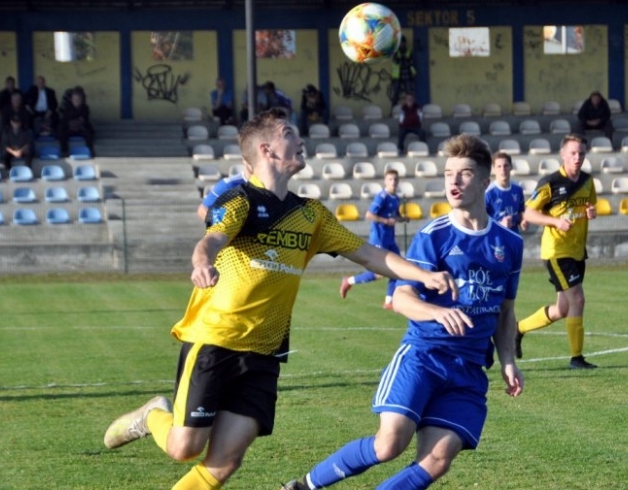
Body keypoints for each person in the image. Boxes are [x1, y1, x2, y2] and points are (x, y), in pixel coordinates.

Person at [102, 108, 457, 490]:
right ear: (268, 150)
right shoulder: (240, 202)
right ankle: (154, 414)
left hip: (265, 353)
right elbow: (212, 240)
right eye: (290, 132)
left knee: (225, 462)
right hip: (216, 340)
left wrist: (424, 274)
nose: (301, 139)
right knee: (184, 448)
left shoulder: (311, 215)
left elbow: (370, 254)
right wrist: (202, 262)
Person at [282, 133, 524, 490]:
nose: (454, 181)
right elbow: (402, 299)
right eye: (447, 173)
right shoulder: (434, 236)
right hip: (424, 356)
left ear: (486, 182)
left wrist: (507, 360)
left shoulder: (510, 244)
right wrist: (437, 313)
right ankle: (303, 486)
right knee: (389, 443)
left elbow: (505, 312)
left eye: (465, 173)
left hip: (469, 368)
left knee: (437, 458)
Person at [515, 134, 598, 370]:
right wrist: (554, 222)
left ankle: (518, 329)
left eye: (581, 153)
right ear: (563, 155)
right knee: (578, 299)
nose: (577, 157)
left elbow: (589, 207)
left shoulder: (588, 182)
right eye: (573, 153)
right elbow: (528, 213)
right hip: (556, 251)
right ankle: (576, 358)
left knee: (562, 309)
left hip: (577, 251)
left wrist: (591, 212)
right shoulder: (550, 182)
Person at [339, 168, 410, 309]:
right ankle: (349, 281)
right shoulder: (381, 197)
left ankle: (389, 301)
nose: (393, 182)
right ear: (385, 181)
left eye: (395, 179)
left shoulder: (395, 198)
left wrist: (403, 218)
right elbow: (369, 215)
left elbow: (394, 216)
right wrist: (385, 221)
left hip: (390, 239)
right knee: (378, 274)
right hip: (379, 239)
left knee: (398, 268)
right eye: (390, 179)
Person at [485, 151, 527, 231]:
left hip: (513, 238)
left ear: (511, 167)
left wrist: (523, 222)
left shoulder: (518, 189)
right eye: (499, 166)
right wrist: (500, 224)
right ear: (493, 169)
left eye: (506, 166)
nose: (503, 169)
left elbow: (521, 213)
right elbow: (480, 222)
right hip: (496, 240)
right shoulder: (488, 193)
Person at [58, 90, 95, 157]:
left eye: (78, 99)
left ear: (81, 99)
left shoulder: (85, 107)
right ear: (71, 99)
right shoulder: (67, 107)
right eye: (74, 99)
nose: (76, 101)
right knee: (61, 131)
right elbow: (66, 119)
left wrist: (76, 119)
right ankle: (64, 151)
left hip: (80, 128)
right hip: (70, 128)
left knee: (89, 131)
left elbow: (84, 119)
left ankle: (90, 150)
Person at [390, 35, 416, 107]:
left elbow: (410, 62)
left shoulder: (408, 52)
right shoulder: (396, 52)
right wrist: (405, 62)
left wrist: (403, 62)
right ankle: (393, 110)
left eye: (403, 43)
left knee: (409, 94)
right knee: (396, 94)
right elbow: (396, 62)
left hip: (407, 76)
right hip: (398, 76)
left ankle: (411, 109)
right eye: (401, 43)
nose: (402, 44)